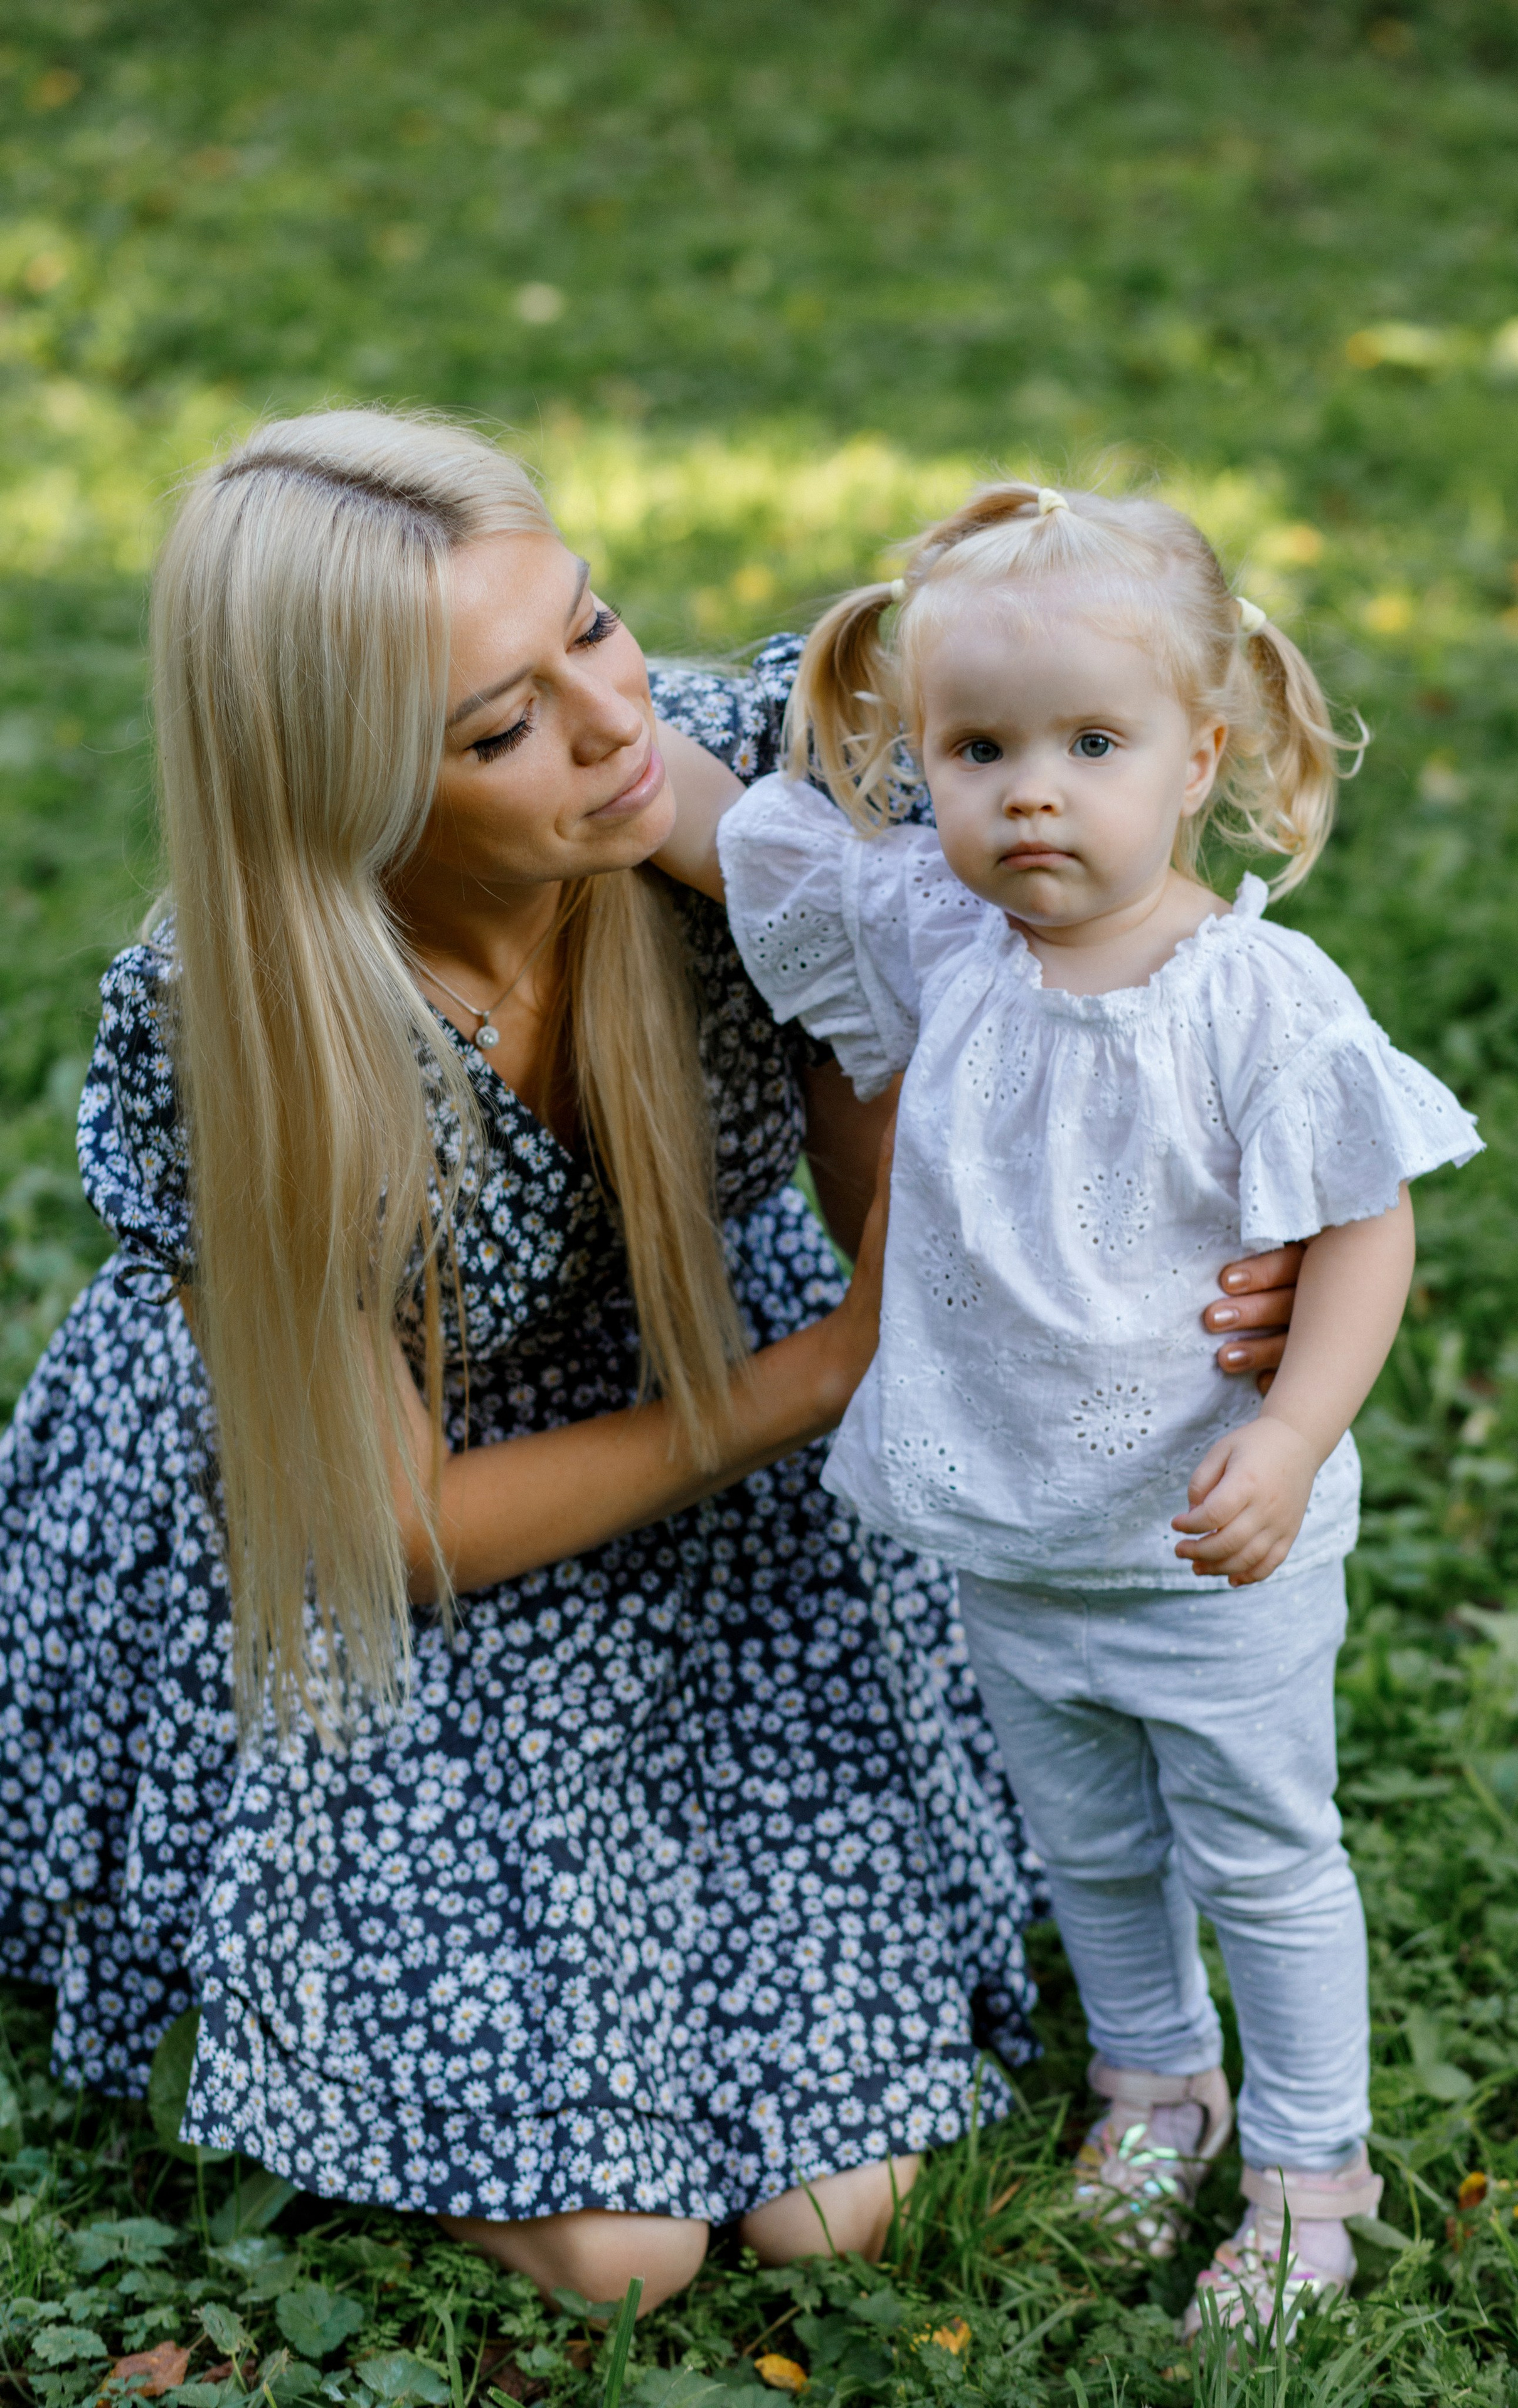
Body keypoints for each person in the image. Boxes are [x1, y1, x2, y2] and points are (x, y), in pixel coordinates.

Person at [0, 418, 1305, 2316]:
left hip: (714, 1365)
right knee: (617, 2254)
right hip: (385, 1525)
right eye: (499, 729)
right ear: (344, 788)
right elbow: (401, 1531)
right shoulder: (249, 1016)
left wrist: (1222, 1259)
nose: (614, 721)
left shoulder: (737, 793)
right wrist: (832, 1372)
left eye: (592, 625)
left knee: (835, 2209)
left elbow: (1036, 1015)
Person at [657, 480, 1482, 2335]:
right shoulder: (947, 942)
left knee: (1262, 1854)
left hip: (1206, 1544)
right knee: (1093, 1848)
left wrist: (1292, 1437)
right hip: (1014, 1531)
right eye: (979, 750)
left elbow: (1367, 1230)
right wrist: (612, 759)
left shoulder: (1255, 998)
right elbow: (746, 843)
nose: (1032, 794)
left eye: (1092, 745)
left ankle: (1310, 2173)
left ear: (1200, 759)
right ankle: (1155, 2085)